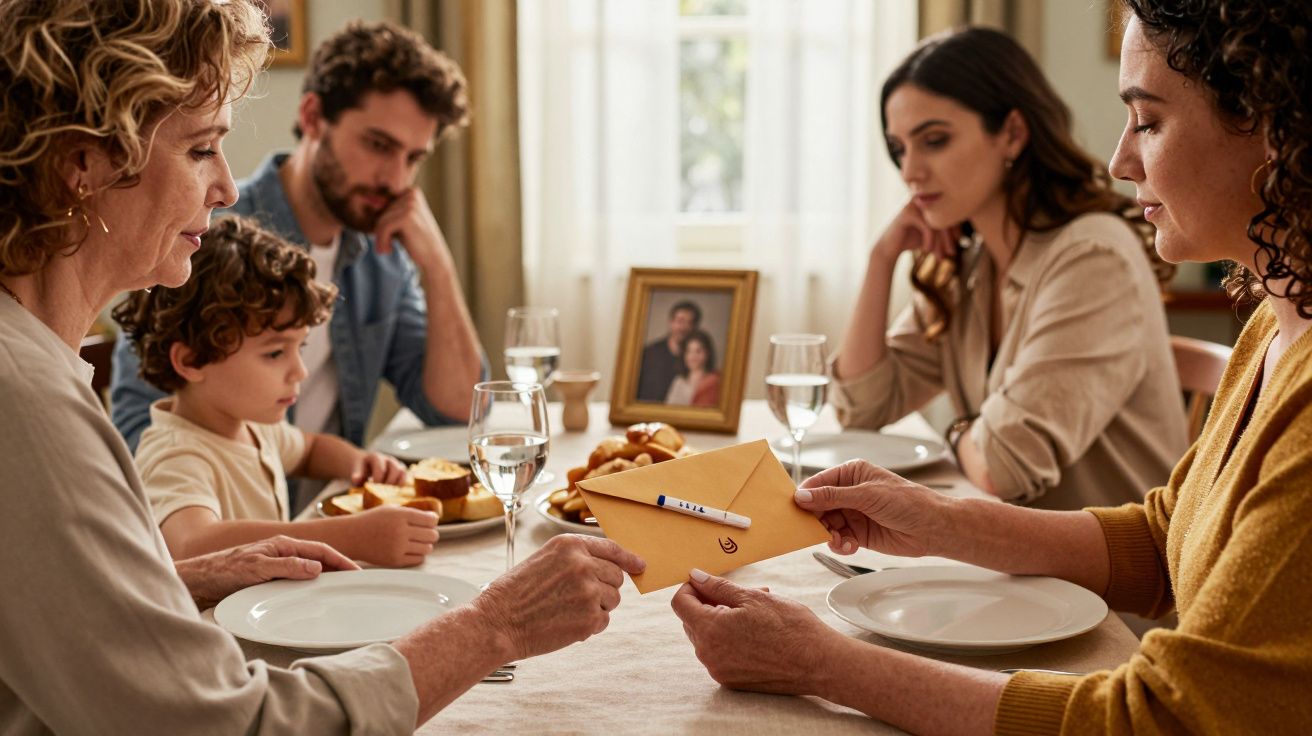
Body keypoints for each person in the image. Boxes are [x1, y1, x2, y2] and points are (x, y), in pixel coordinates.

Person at [0, 2, 643, 732]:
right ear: (81, 163)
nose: (225, 190)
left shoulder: (34, 365)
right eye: (200, 148)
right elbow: (226, 725)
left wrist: (182, 580)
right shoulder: (29, 399)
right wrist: (496, 624)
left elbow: (454, 405)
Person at [672, 5, 1312, 733]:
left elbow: (1163, 720)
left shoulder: (1098, 256)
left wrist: (821, 664)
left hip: (1110, 650)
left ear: (1274, 121)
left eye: (1149, 121)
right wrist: (939, 520)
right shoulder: (1274, 321)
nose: (1119, 162)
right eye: (900, 147)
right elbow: (1165, 541)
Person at [109, 19, 486, 510]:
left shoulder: (381, 252)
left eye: (414, 158)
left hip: (329, 516)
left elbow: (458, 409)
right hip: (241, 538)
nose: (395, 178)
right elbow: (139, 432)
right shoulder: (208, 238)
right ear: (313, 116)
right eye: (378, 145)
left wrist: (437, 263)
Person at [831, 27, 1187, 510]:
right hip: (1012, 561)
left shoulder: (1092, 258)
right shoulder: (968, 265)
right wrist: (882, 259)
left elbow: (1002, 469)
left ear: (1013, 134)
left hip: (1106, 578)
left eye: (934, 140)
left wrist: (956, 430)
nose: (910, 171)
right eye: (899, 149)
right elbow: (861, 407)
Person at [115, 216, 442, 567]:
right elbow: (193, 544)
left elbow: (310, 450)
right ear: (192, 359)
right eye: (275, 353)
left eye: (299, 349)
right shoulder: (175, 455)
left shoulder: (251, 425)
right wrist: (352, 537)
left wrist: (360, 464)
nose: (299, 372)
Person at [636, 300, 701, 402]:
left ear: (695, 327)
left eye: (690, 323)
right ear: (671, 322)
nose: (684, 328)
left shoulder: (698, 360)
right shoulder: (650, 353)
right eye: (680, 321)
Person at [664, 330, 721, 407]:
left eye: (698, 351)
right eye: (689, 351)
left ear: (707, 353)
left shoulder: (716, 381)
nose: (692, 356)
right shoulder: (679, 382)